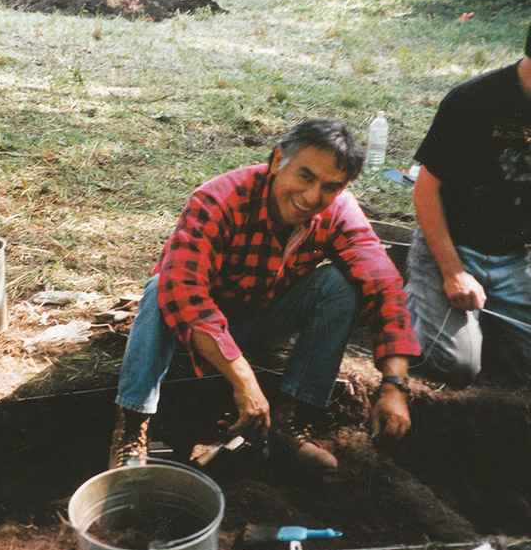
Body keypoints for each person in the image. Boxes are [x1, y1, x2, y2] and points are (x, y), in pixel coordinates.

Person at [110, 119, 420, 473]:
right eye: (305, 177)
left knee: (340, 285)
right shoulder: (218, 198)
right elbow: (184, 290)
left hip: (261, 321)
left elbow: (385, 287)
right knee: (162, 285)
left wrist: (395, 386)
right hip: (189, 332)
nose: (312, 197)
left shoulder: (338, 211)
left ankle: (290, 425)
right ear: (277, 162)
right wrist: (244, 382)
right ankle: (132, 429)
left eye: (330, 187)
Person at [405, 24, 531, 388]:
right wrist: (452, 273)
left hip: (513, 258)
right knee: (456, 367)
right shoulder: (473, 100)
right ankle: (410, 304)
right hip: (451, 247)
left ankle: (484, 327)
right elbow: (425, 192)